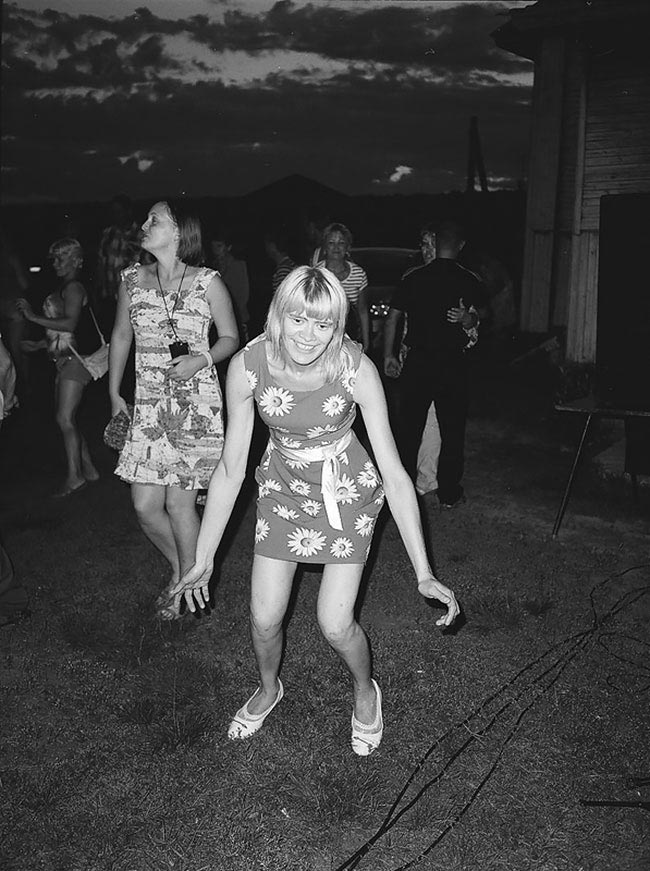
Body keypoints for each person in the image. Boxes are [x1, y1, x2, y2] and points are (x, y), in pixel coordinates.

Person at [170, 266, 460, 755]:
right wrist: (204, 556)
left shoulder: (354, 369)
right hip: (282, 487)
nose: (309, 336)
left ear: (337, 325)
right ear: (278, 316)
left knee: (335, 623)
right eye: (298, 320)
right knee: (264, 619)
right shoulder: (247, 366)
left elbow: (394, 474)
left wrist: (423, 572)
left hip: (345, 490)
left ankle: (365, 689)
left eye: (323, 324)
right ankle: (268, 688)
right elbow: (230, 468)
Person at [108, 200, 239, 619]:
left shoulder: (208, 282)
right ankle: (185, 571)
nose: (144, 225)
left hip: (194, 407)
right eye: (147, 218)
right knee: (145, 507)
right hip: (148, 407)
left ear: (181, 232)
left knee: (181, 506)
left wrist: (201, 359)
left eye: (155, 220)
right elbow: (121, 336)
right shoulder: (131, 280)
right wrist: (114, 392)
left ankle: (185, 587)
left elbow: (230, 338)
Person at [383, 219, 482, 509]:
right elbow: (479, 317)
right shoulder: (469, 279)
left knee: (408, 430)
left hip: (419, 362)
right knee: (452, 430)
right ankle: (449, 493)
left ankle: (401, 490)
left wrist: (388, 354)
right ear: (460, 246)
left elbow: (392, 318)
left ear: (436, 244)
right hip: (452, 363)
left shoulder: (413, 278)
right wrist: (468, 319)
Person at [16, 238, 100, 497]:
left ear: (76, 260)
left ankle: (75, 478)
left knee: (64, 418)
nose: (55, 263)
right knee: (67, 418)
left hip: (76, 362)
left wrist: (32, 317)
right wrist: (40, 345)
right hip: (67, 360)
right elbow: (67, 334)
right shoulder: (66, 287)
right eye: (53, 259)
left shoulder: (74, 288)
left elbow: (70, 324)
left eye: (60, 258)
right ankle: (89, 471)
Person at [317, 223, 370, 351]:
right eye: (331, 243)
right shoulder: (316, 274)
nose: (336, 247)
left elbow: (362, 311)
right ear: (324, 247)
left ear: (347, 247)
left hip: (350, 339)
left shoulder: (358, 274)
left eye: (341, 243)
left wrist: (366, 342)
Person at [96, 195, 141, 303]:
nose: (116, 215)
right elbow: (101, 263)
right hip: (109, 295)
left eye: (119, 212)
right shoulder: (108, 233)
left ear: (128, 211)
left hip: (131, 296)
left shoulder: (141, 235)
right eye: (113, 212)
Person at [210, 231, 251, 343]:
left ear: (228, 247)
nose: (215, 250)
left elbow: (243, 296)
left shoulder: (238, 265)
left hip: (238, 319)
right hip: (218, 322)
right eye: (213, 246)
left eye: (219, 246)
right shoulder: (212, 267)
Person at [264, 226, 297, 292]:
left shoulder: (283, 270)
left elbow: (282, 297)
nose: (266, 248)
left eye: (267, 244)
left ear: (273, 246)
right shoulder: (290, 264)